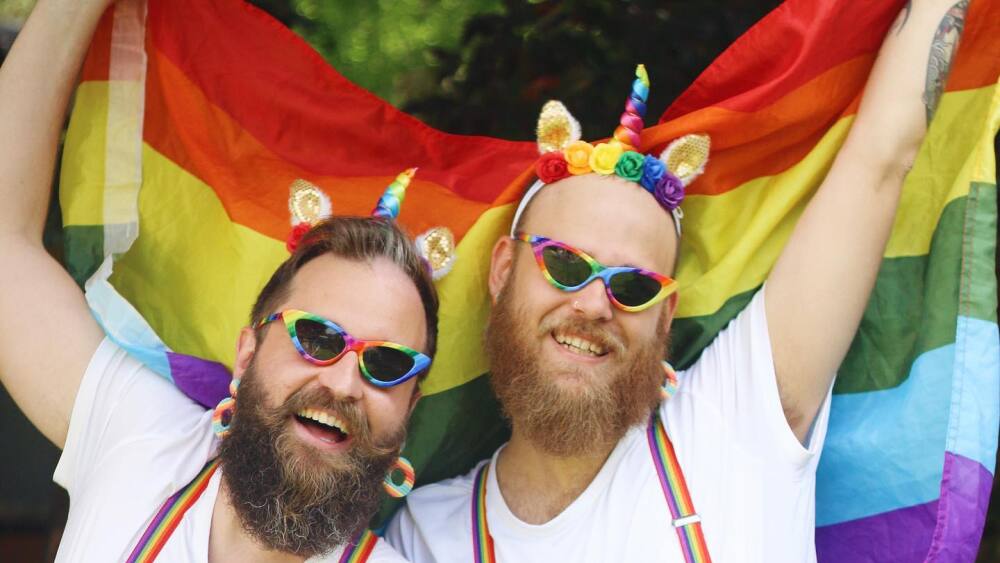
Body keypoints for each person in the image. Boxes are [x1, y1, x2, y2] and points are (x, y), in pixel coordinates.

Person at [386, 1, 971, 561]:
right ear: (504, 270)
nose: (594, 304)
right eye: (566, 265)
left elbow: (880, 158)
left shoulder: (734, 419)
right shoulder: (427, 535)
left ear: (665, 316)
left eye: (633, 286)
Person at [0, 1, 438, 561]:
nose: (347, 383)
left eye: (388, 364)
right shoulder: (142, 437)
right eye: (319, 338)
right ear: (247, 352)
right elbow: (8, 238)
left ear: (409, 412)